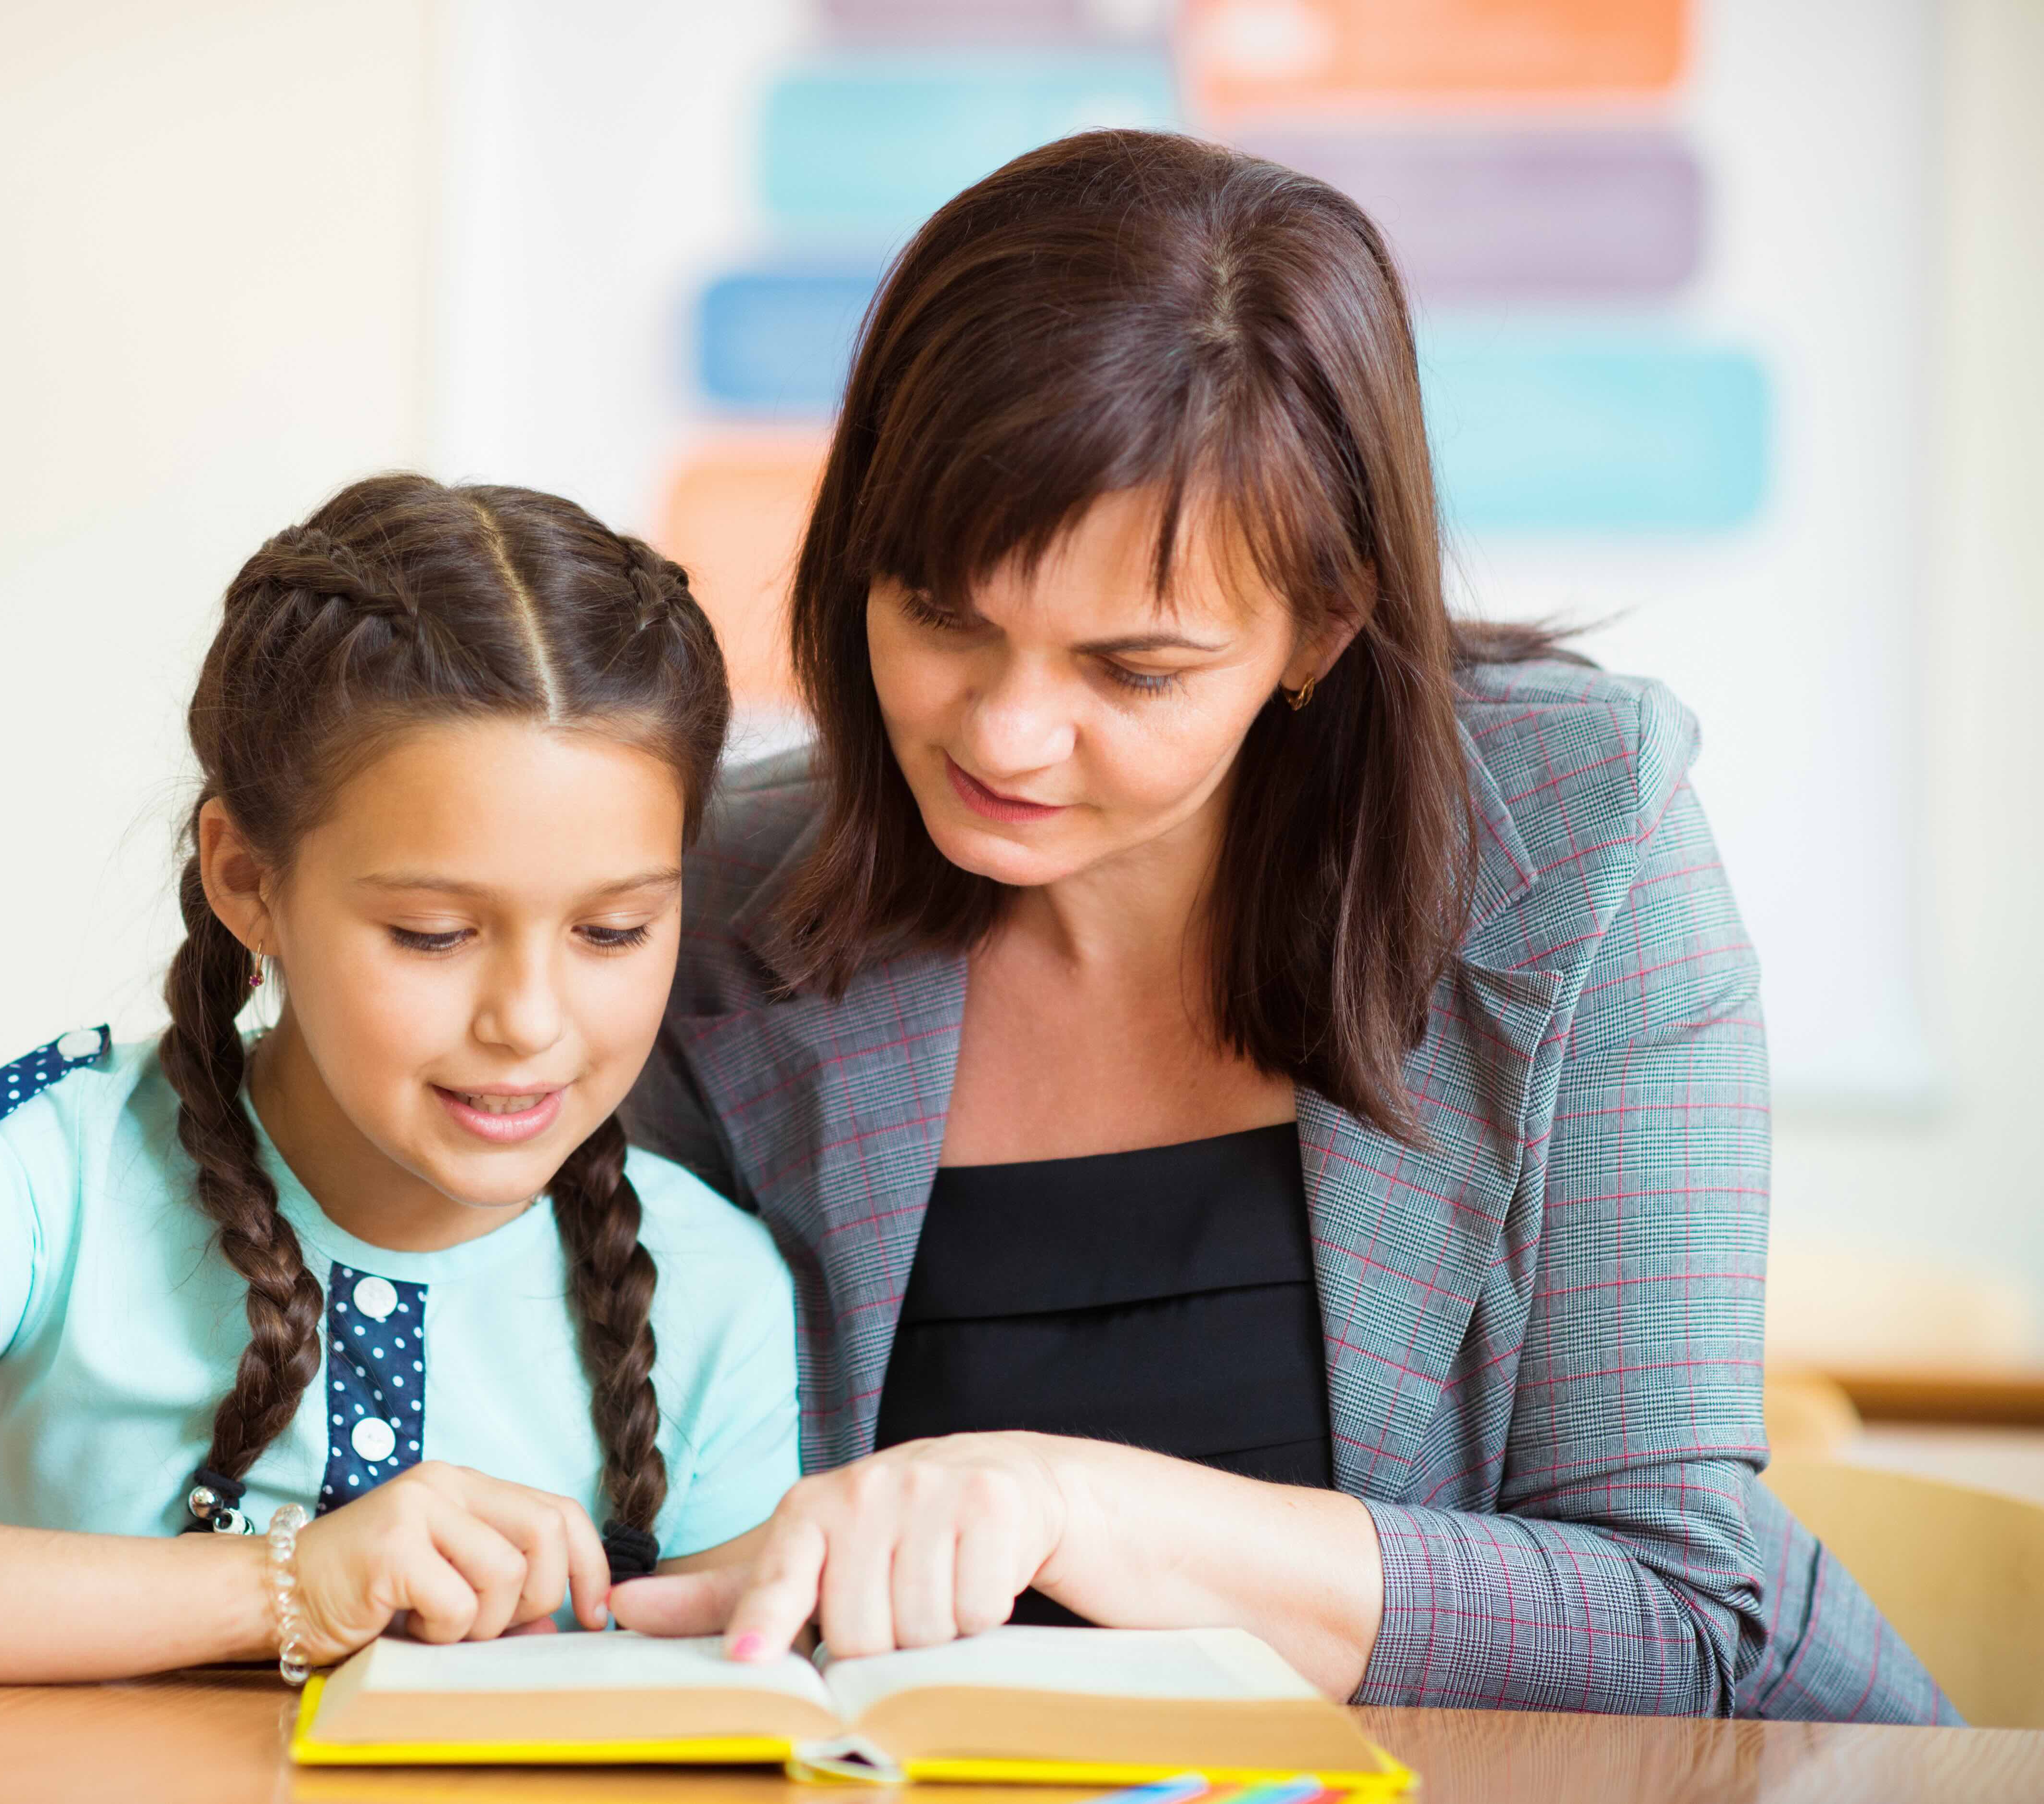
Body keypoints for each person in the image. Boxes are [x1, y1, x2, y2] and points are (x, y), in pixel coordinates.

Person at [613, 130, 1952, 1724]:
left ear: (1321, 624)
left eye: (1133, 668)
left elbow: (1675, 1612)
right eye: (943, 616)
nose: (1005, 734)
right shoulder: (717, 904)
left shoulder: (1573, 841)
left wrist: (1075, 1505)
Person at [0, 475, 799, 1682]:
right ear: (245, 877)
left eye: (615, 932)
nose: (529, 1021)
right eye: (433, 933)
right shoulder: (35, 1175)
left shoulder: (713, 1284)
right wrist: (285, 1582)